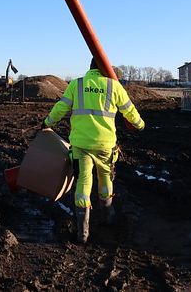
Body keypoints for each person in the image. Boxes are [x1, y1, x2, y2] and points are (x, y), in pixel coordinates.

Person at [41, 58, 145, 243]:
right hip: (106, 146)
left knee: (83, 183)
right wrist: (140, 125)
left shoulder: (77, 84)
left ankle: (83, 233)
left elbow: (60, 108)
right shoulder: (114, 86)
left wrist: (47, 123)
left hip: (81, 146)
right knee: (106, 179)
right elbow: (130, 111)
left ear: (90, 68)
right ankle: (107, 217)